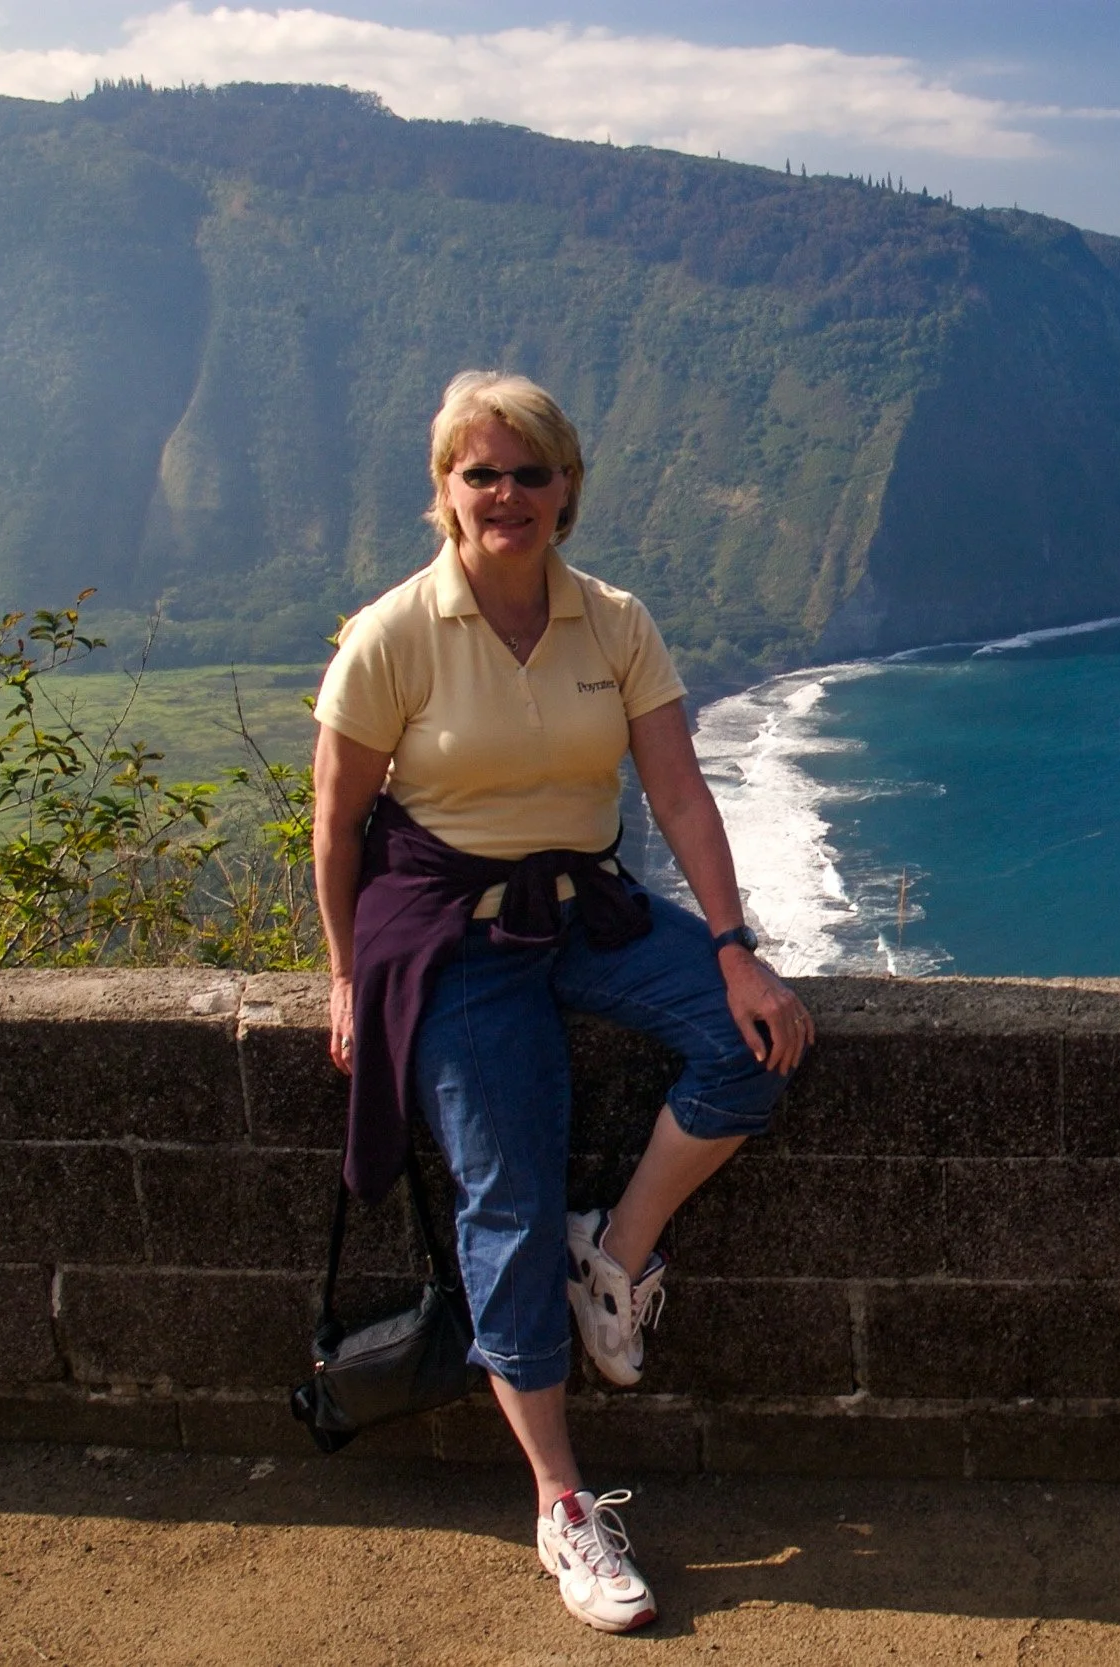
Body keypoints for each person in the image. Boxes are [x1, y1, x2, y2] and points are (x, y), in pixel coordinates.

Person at [312, 369, 814, 1634]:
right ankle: (562, 1501)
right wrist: (341, 973)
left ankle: (620, 1249)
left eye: (531, 472)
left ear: (566, 489)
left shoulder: (614, 622)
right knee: (509, 1195)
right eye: (481, 472)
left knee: (748, 1043)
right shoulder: (393, 634)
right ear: (444, 492)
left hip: (585, 904)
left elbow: (683, 792)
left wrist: (736, 945)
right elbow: (334, 821)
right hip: (456, 936)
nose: (507, 494)